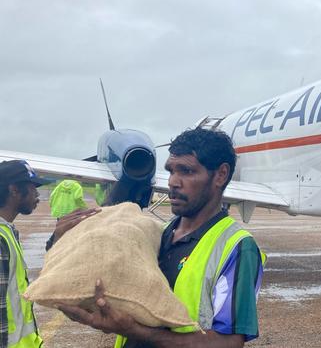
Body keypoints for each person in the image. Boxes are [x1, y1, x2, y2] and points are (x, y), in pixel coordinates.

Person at [58, 128, 265, 348]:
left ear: (220, 175)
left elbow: (229, 343)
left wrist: (135, 331)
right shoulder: (158, 233)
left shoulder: (237, 247)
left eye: (186, 171)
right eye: (171, 171)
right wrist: (63, 245)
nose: (173, 182)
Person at [0, 160, 99, 348]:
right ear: (14, 190)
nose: (37, 195)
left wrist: (55, 241)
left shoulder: (7, 232)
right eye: (32, 188)